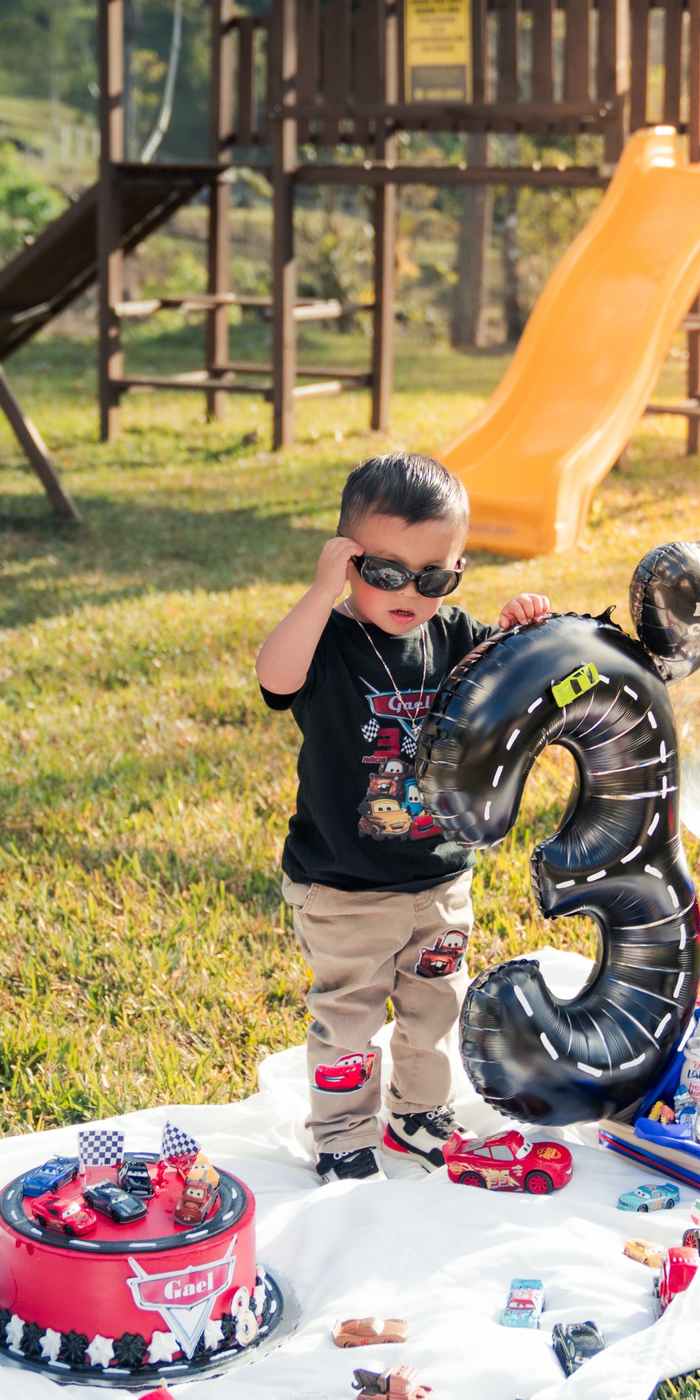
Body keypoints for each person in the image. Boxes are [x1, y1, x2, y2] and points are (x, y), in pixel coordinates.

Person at [256, 455, 549, 1181]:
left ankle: (418, 1113)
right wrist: (322, 593)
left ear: (456, 571)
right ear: (348, 559)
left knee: (435, 1007)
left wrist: (517, 630)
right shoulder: (326, 639)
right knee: (349, 1019)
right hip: (344, 884)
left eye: (434, 577)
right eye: (385, 572)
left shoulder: (452, 637)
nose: (409, 593)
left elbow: (513, 681)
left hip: (439, 876)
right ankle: (343, 1133)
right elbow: (274, 675)